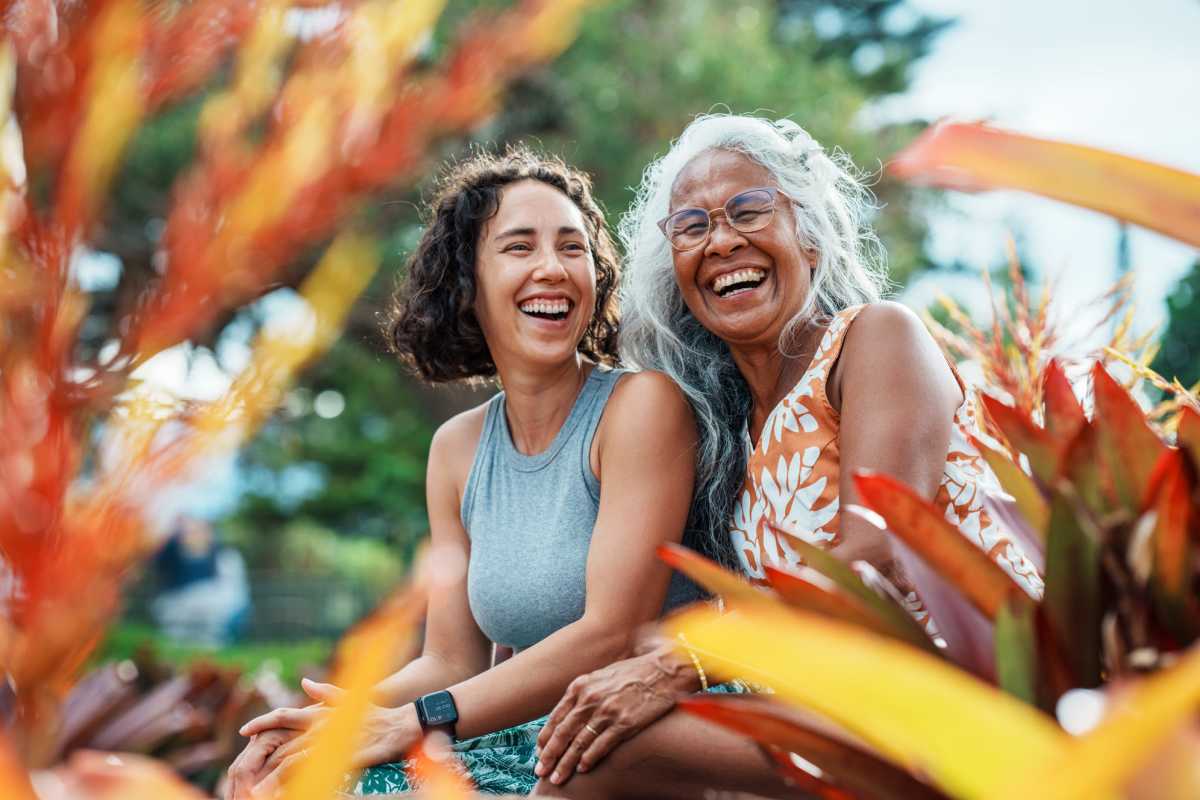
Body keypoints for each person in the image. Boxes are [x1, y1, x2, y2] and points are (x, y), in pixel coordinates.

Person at [530, 114, 1044, 798]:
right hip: (836, 709)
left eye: (749, 210)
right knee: (593, 727)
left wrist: (678, 665)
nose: (722, 241)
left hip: (959, 705)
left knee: (609, 752)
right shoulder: (727, 429)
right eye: (693, 226)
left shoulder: (876, 340)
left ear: (809, 232)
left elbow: (873, 554)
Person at [223, 147, 718, 798]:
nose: (553, 269)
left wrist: (412, 721)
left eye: (572, 248)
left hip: (629, 745)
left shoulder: (641, 407)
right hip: (527, 743)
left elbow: (611, 633)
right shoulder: (456, 449)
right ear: (468, 284)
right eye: (519, 247)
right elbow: (450, 659)